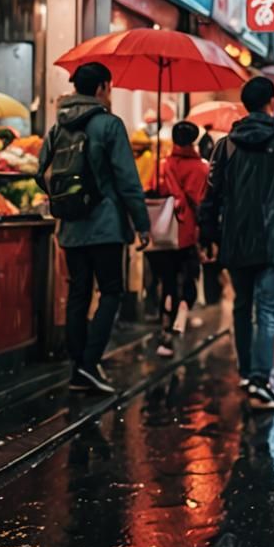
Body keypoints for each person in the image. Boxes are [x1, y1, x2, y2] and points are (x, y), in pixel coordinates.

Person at [198, 77, 274, 411]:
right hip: (273, 239)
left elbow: (211, 195)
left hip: (235, 239)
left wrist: (208, 235)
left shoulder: (225, 144)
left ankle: (247, 373)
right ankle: (260, 379)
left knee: (242, 307)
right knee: (268, 311)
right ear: (271, 102)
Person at [38, 62, 151, 394]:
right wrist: (142, 224)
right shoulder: (109, 125)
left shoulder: (58, 127)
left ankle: (79, 369)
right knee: (112, 292)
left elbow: (40, 171)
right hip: (105, 226)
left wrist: (67, 203)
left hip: (71, 227)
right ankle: (89, 364)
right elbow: (128, 181)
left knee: (78, 293)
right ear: (102, 87)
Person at [151, 121, 209, 358]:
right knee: (189, 279)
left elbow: (153, 191)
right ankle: (181, 316)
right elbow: (203, 203)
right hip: (189, 233)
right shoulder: (202, 168)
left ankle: (165, 327)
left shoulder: (162, 165)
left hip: (164, 232)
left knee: (167, 282)